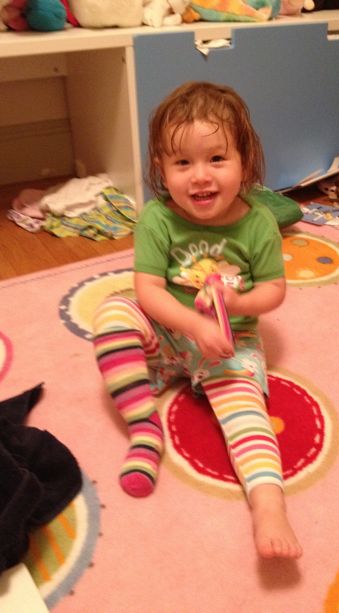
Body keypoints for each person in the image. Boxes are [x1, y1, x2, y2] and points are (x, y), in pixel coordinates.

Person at [92, 81, 302, 560]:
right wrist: (192, 325)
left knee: (248, 418)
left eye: (216, 159)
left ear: (246, 163)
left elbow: (274, 291)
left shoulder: (258, 223)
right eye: (182, 162)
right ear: (161, 171)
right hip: (168, 335)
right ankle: (145, 428)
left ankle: (269, 505)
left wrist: (236, 303)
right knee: (113, 312)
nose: (200, 177)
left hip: (231, 344)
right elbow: (149, 290)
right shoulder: (156, 220)